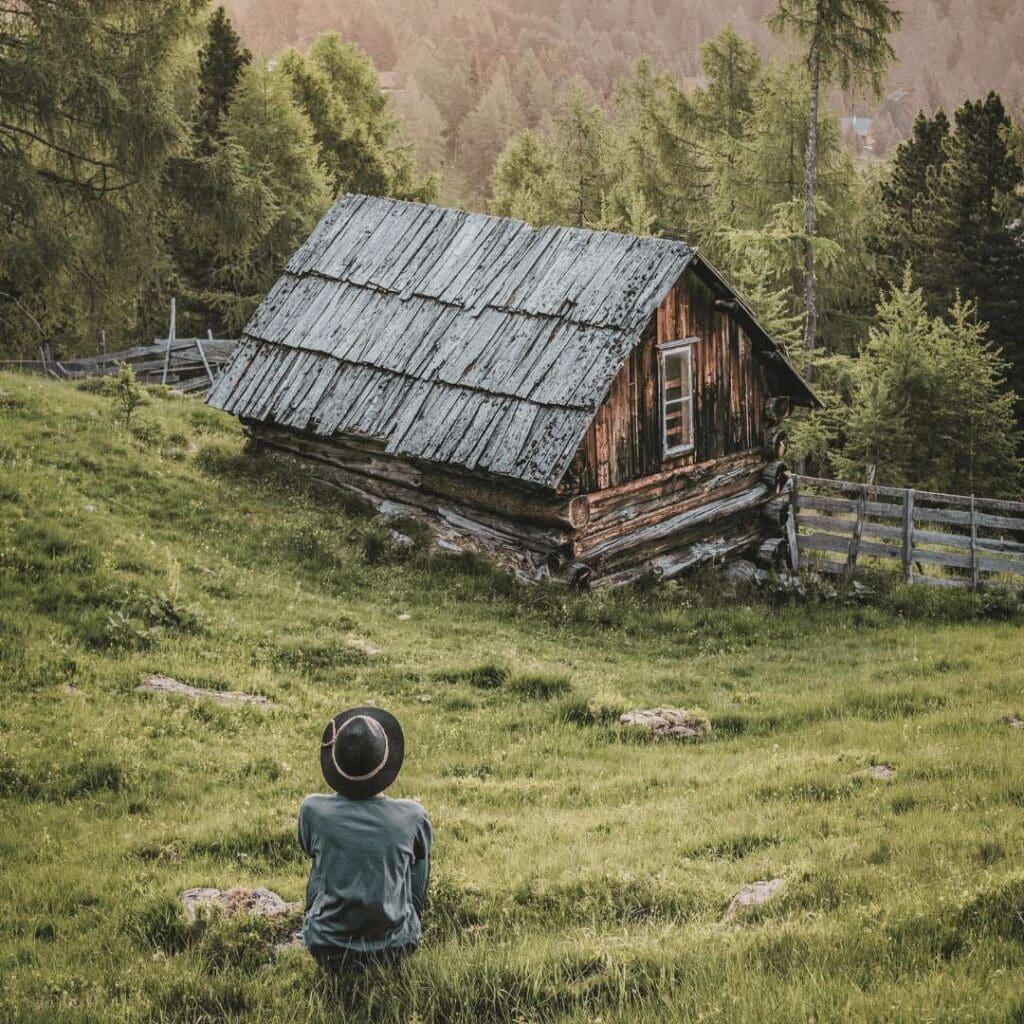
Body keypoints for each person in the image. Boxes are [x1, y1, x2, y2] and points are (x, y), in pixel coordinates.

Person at [298, 706, 432, 973]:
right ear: (386, 759)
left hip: (326, 946)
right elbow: (419, 864)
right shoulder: (413, 816)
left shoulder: (312, 809)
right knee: (418, 858)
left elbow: (308, 850)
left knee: (321, 862)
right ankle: (405, 917)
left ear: (336, 763)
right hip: (397, 947)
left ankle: (326, 920)